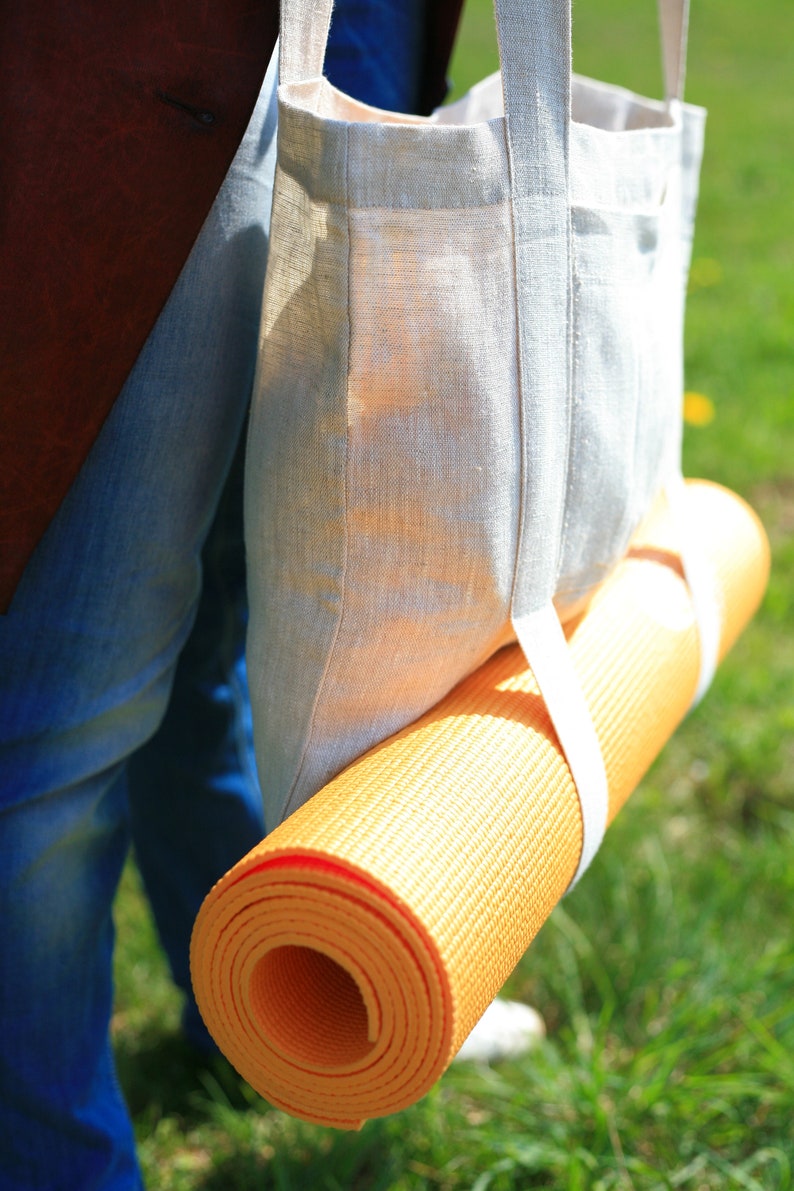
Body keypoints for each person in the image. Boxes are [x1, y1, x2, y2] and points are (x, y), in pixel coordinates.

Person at [0, 5, 541, 1188]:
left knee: (206, 644)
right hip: (146, 72)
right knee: (61, 706)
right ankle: (57, 1160)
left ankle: (240, 1007)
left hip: (336, 59)